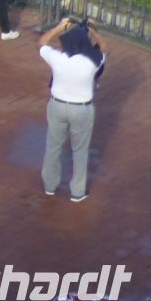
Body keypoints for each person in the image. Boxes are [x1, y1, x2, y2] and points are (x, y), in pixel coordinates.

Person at [39, 16, 108, 202]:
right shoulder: (91, 63)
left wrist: (60, 27)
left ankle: (50, 186)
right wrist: (92, 30)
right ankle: (77, 192)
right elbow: (103, 47)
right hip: (82, 110)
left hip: (57, 106)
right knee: (80, 151)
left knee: (53, 147)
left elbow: (42, 42)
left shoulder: (58, 59)